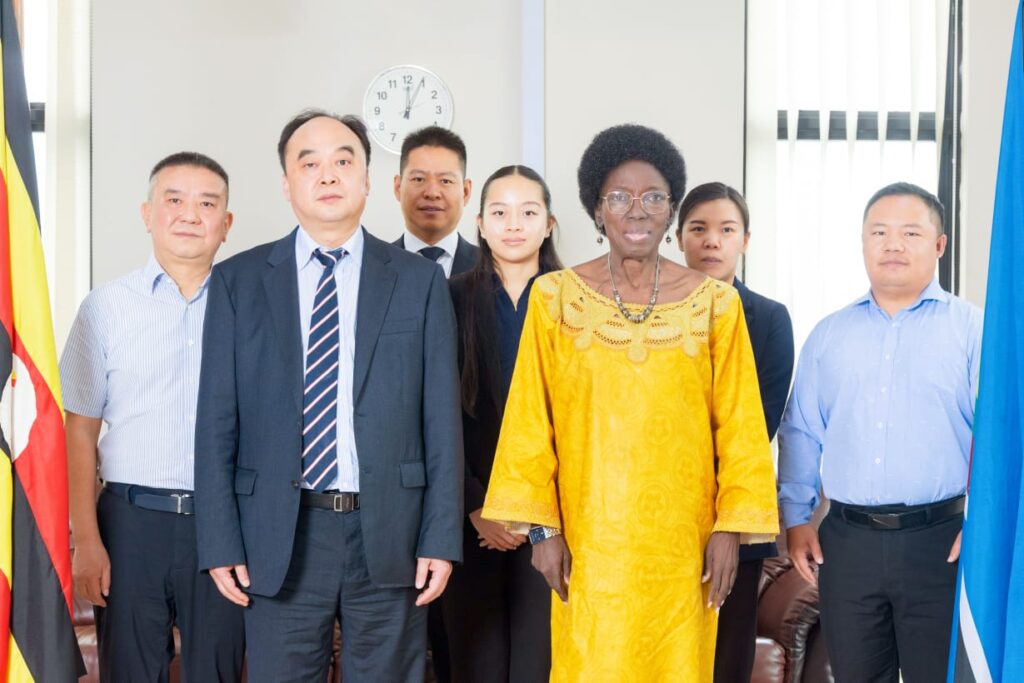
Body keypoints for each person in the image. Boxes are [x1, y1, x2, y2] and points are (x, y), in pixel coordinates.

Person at [481, 124, 779, 682]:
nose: (636, 211)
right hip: (590, 549)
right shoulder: (554, 300)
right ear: (596, 209)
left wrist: (729, 529)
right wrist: (543, 533)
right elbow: (529, 420)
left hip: (685, 550)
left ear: (670, 212)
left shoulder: (717, 306)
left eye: (653, 198)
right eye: (619, 197)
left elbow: (740, 425)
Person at [193, 110, 463, 683]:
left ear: (368, 180)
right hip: (279, 534)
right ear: (287, 183)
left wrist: (441, 537)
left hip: (391, 531)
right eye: (308, 163)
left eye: (344, 161)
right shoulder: (238, 281)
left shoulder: (417, 282)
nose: (328, 175)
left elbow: (441, 422)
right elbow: (216, 421)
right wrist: (218, 541)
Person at [779, 182, 982, 682]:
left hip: (943, 542)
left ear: (939, 244)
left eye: (911, 232)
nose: (894, 244)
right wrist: (796, 518)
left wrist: (983, 521)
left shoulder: (972, 330)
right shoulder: (829, 335)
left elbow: (999, 438)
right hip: (847, 544)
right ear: (864, 243)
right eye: (880, 232)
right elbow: (801, 431)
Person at [60, 152, 244, 682]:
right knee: (130, 671)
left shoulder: (249, 306)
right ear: (147, 213)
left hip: (224, 526)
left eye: (207, 204)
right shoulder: (106, 308)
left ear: (226, 224)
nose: (190, 214)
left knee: (218, 671)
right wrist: (87, 539)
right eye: (175, 200)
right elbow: (80, 431)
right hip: (130, 523)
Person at [444, 165, 562, 683]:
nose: (514, 224)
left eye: (528, 212)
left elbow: (586, 427)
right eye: (500, 212)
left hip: (554, 527)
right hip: (472, 521)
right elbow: (435, 415)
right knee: (476, 665)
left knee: (541, 666)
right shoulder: (446, 298)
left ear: (550, 223)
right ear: (480, 223)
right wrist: (475, 505)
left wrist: (537, 520)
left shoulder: (576, 302)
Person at [677, 182, 795, 683]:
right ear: (677, 237)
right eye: (698, 229)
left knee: (726, 662)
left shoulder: (768, 319)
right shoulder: (648, 317)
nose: (711, 241)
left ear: (746, 239)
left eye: (726, 230)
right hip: (659, 519)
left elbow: (756, 427)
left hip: (737, 518)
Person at [394, 126, 479, 277]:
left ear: (466, 192)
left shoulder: (492, 267)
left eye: (445, 181)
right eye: (419, 179)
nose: (432, 193)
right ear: (398, 187)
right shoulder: (370, 267)